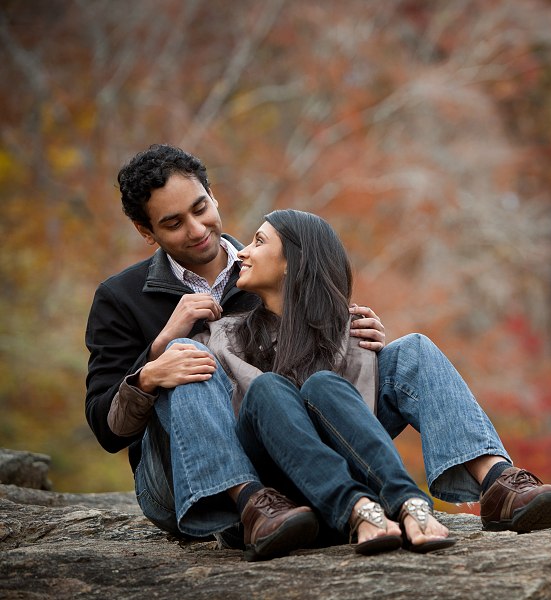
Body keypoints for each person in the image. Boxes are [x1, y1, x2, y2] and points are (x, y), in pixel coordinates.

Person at [84, 144, 387, 560]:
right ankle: (246, 504)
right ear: (146, 231)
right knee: (186, 352)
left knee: (402, 356)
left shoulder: (268, 266)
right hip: (177, 481)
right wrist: (155, 359)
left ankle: (379, 496)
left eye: (200, 208)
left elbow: (319, 378)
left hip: (279, 465)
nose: (196, 229)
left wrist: (358, 339)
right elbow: (106, 430)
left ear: (213, 196)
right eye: (173, 223)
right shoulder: (119, 298)